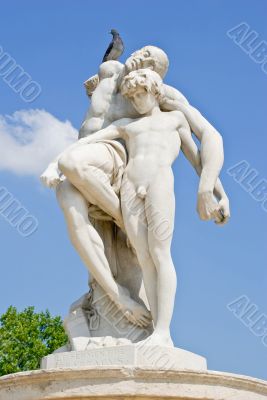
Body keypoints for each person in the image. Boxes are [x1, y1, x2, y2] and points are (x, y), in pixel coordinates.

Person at [59, 69, 229, 346]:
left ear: (155, 92)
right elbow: (85, 144)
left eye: (142, 94)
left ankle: (164, 332)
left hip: (158, 182)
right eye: (133, 96)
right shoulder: (127, 124)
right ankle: (155, 331)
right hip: (130, 186)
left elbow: (197, 158)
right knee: (144, 258)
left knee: (160, 254)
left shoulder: (175, 119)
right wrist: (57, 164)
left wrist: (217, 192)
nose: (138, 100)